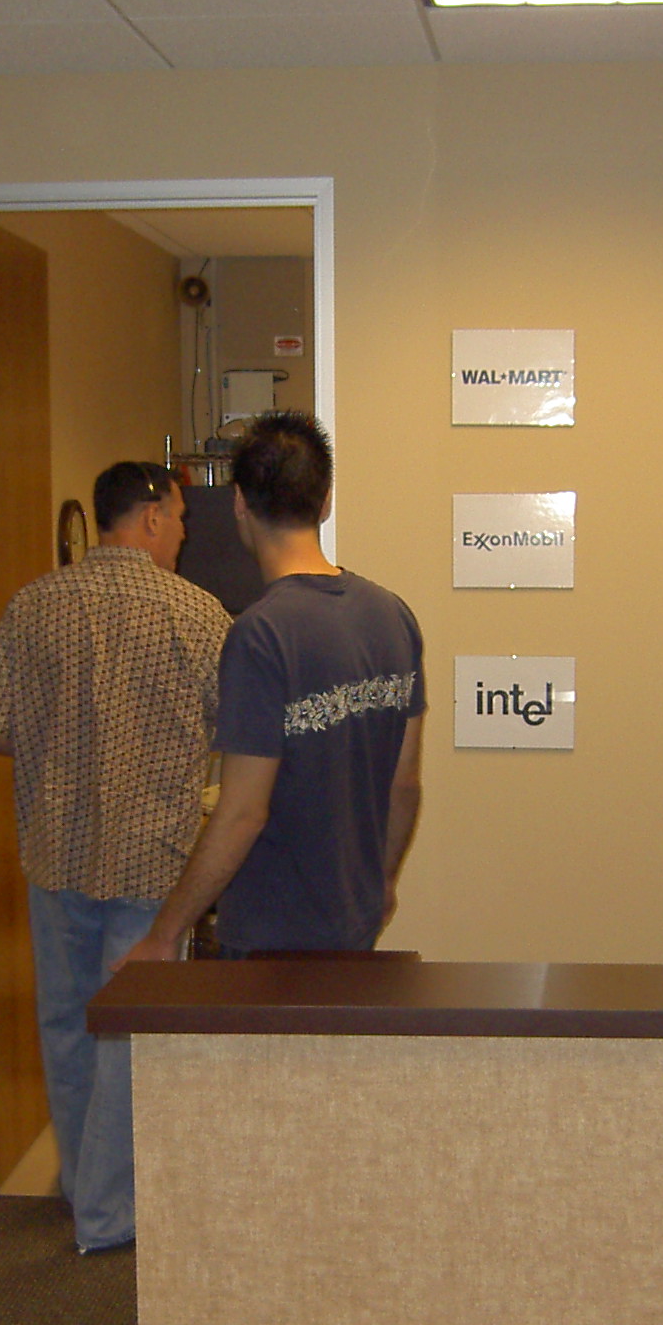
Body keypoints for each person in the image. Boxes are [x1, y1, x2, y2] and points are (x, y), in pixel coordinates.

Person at [0, 460, 227, 1252]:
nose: (183, 533)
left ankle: (85, 1186)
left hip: (57, 850)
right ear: (148, 518)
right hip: (154, 861)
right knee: (129, 1030)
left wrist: (57, 751)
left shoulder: (33, 604)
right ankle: (109, 1212)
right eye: (179, 517)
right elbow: (236, 729)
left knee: (67, 1021)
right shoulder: (198, 613)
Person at [122, 412, 425, 962]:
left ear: (239, 502)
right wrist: (382, 882)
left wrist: (164, 935)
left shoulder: (260, 634)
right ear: (325, 500)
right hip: (353, 923)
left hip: (270, 937)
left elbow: (243, 812)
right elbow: (403, 785)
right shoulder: (393, 616)